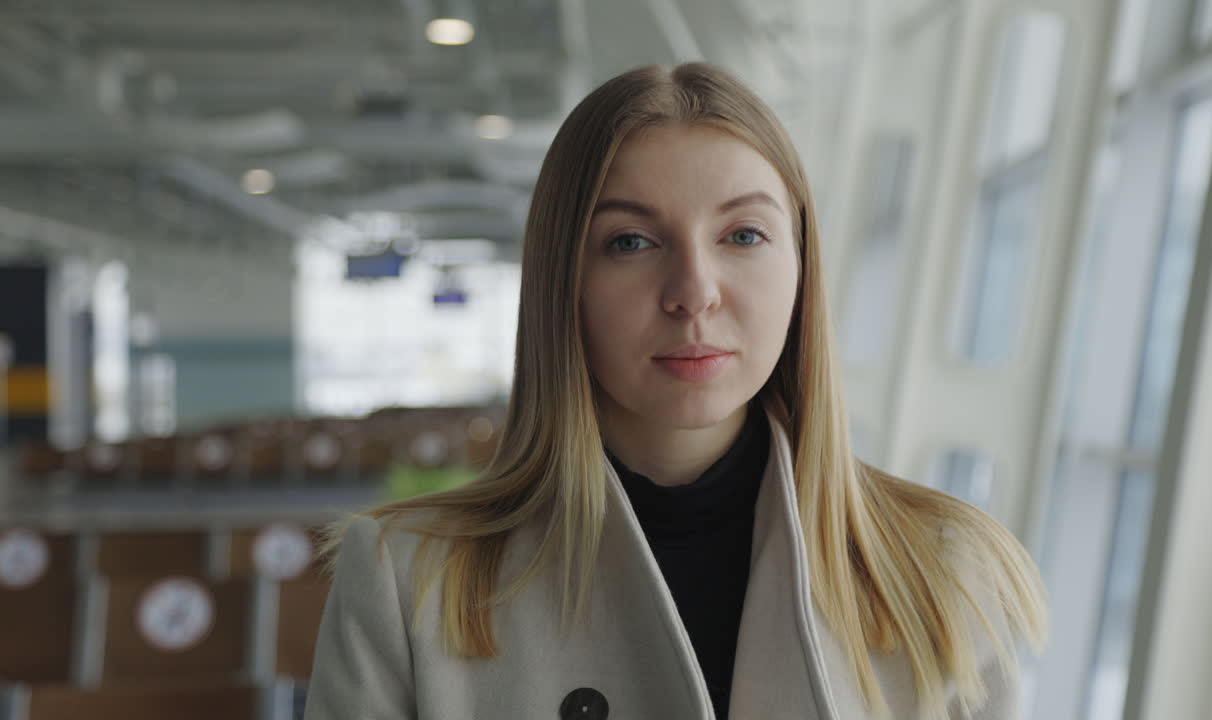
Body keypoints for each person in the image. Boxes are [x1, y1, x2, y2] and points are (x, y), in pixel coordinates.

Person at [304, 62, 1048, 720]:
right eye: (631, 242)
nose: (694, 292)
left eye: (744, 235)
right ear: (564, 283)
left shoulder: (944, 573)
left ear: (802, 270)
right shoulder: (411, 582)